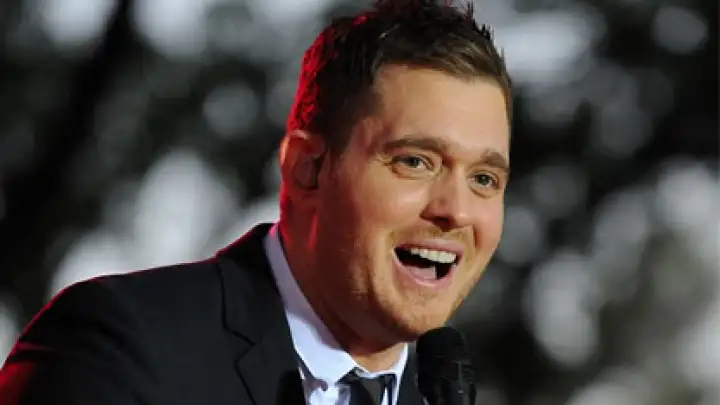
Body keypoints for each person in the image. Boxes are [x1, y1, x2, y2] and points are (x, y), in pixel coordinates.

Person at [0, 0, 512, 404]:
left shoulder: (440, 394)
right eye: (415, 161)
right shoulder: (121, 349)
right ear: (307, 169)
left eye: (485, 179)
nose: (457, 210)